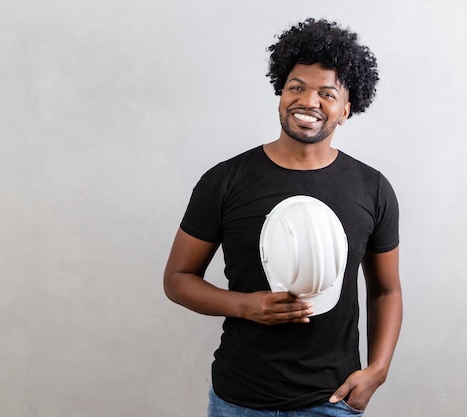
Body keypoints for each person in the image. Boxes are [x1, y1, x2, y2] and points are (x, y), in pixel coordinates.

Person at [164, 18, 402, 417]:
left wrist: (377, 370)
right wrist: (244, 305)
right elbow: (177, 279)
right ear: (280, 94)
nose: (308, 101)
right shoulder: (225, 181)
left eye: (326, 93)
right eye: (296, 87)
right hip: (239, 399)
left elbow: (385, 291)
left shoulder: (372, 188)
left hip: (332, 401)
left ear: (346, 109)